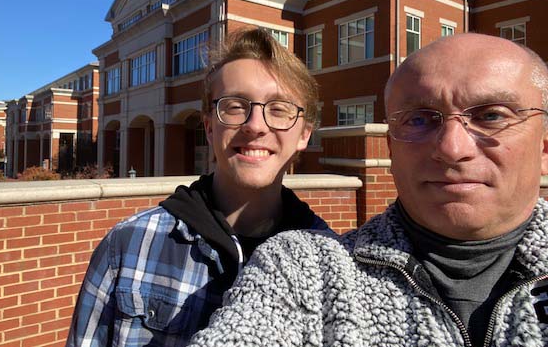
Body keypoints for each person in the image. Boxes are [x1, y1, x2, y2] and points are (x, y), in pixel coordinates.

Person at [188, 33, 548, 347]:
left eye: (491, 116)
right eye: (420, 119)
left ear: (544, 146)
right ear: (391, 148)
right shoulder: (306, 269)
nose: (452, 148)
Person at [65, 28, 328, 347]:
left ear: (304, 134)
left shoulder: (329, 262)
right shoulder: (129, 245)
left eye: (279, 108)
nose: (255, 125)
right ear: (209, 126)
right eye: (234, 106)